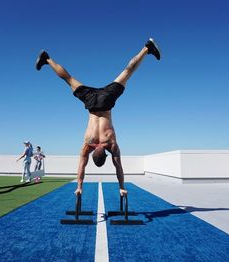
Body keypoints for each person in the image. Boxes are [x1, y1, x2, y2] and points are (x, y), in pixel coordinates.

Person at [35, 38, 161, 196]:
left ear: (106, 154)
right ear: (92, 153)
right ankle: (47, 58)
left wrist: (122, 187)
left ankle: (147, 49)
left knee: (127, 73)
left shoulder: (111, 144)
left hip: (106, 100)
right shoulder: (87, 145)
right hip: (92, 101)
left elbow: (118, 167)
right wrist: (79, 187)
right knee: (69, 79)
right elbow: (82, 166)